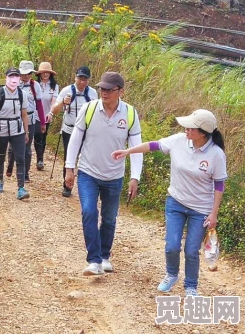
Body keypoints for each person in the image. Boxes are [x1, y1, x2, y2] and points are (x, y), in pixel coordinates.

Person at [112, 109, 227, 297]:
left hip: (200, 210)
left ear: (203, 132)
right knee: (172, 245)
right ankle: (171, 274)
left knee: (191, 250)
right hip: (175, 202)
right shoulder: (179, 140)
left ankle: (191, 286)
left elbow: (219, 185)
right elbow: (153, 145)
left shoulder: (216, 155)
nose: (186, 130)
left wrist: (214, 213)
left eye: (190, 127)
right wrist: (128, 151)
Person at [64, 72, 143, 276]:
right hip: (88, 172)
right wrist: (69, 168)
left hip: (114, 176)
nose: (104, 92)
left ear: (121, 91)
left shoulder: (130, 114)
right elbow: (75, 139)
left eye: (109, 89)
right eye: (102, 89)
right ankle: (94, 260)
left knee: (109, 218)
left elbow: (135, 148)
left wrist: (135, 177)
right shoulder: (89, 109)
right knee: (89, 211)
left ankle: (105, 255)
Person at [52, 66, 98, 197]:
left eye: (85, 79)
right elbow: (54, 111)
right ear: (75, 78)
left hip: (87, 131)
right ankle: (67, 186)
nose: (82, 82)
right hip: (69, 129)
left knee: (87, 158)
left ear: (88, 80)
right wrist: (62, 103)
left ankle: (86, 187)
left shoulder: (93, 93)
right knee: (69, 157)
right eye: (80, 78)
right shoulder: (67, 91)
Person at [0, 67, 31, 200]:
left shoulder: (21, 94)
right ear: (6, 78)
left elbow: (24, 114)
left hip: (17, 129)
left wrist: (26, 132)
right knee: (1, 156)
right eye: (11, 76)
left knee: (20, 158)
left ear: (19, 78)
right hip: (1, 129)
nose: (13, 79)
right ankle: (0, 181)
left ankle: (21, 188)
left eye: (16, 76)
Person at [6, 61, 46, 182]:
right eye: (24, 73)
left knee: (27, 148)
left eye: (29, 73)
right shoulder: (14, 84)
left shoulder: (35, 86)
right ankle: (10, 165)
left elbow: (39, 105)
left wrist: (43, 122)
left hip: (30, 119)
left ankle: (25, 173)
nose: (27, 76)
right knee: (13, 146)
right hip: (15, 119)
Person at [34, 61, 59, 171]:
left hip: (47, 115)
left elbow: (54, 101)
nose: (45, 75)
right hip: (35, 115)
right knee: (37, 135)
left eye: (47, 73)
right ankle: (39, 158)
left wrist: (51, 112)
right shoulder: (35, 84)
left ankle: (40, 159)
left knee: (43, 136)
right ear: (40, 73)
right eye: (43, 72)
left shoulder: (54, 86)